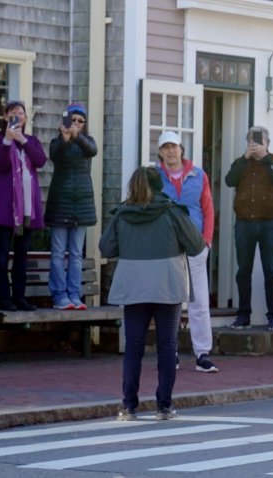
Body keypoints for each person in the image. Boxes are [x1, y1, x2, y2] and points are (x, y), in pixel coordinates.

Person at [99, 166, 205, 421]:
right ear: (160, 187)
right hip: (167, 283)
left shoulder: (122, 214)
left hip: (133, 284)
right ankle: (164, 406)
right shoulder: (171, 211)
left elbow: (106, 247)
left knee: (133, 347)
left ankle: (128, 406)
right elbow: (196, 245)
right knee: (167, 346)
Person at [156, 131, 219, 373]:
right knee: (170, 301)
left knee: (200, 301)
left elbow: (208, 209)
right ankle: (170, 352)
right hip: (168, 247)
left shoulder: (198, 174)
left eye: (174, 146)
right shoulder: (155, 176)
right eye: (165, 148)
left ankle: (202, 354)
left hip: (195, 245)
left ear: (181, 149)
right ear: (160, 152)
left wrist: (207, 242)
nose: (170, 151)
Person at [224, 126, 273, 330]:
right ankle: (243, 316)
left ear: (267, 143)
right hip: (244, 223)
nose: (255, 144)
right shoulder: (240, 163)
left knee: (271, 270)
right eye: (251, 140)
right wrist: (245, 158)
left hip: (270, 224)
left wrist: (265, 157)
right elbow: (229, 180)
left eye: (259, 141)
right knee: (243, 271)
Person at [44, 103, 97, 311]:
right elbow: (55, 156)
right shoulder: (57, 142)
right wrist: (65, 140)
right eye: (72, 120)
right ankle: (59, 296)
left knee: (76, 254)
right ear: (64, 122)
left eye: (80, 121)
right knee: (58, 253)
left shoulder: (87, 142)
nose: (75, 124)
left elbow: (92, 150)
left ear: (84, 124)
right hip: (60, 205)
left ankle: (75, 295)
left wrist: (77, 136)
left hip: (81, 206)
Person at [0, 100, 47, 312]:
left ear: (26, 118)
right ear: (6, 117)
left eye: (21, 113)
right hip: (5, 211)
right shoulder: (1, 140)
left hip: (27, 210)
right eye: (13, 113)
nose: (17, 115)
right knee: (0, 257)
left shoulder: (32, 141)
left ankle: (20, 297)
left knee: (21, 257)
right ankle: (3, 299)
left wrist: (22, 141)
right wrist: (8, 141)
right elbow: (1, 165)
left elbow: (40, 160)